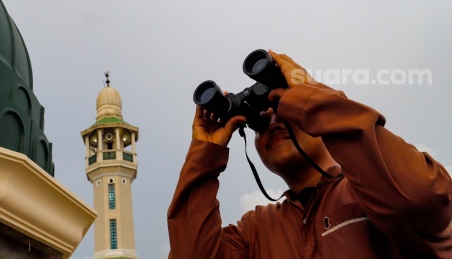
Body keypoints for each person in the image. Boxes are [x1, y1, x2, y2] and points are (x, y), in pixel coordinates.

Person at [167, 51, 452, 258]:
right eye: (260, 123)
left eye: (285, 111)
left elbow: (418, 198)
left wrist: (308, 94)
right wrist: (205, 154)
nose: (274, 122)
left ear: (312, 115)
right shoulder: (256, 231)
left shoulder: (371, 191)